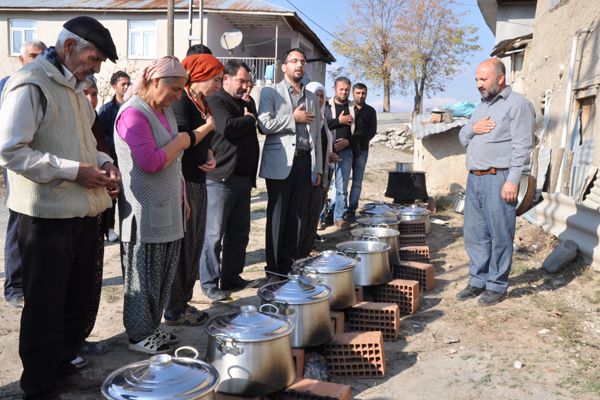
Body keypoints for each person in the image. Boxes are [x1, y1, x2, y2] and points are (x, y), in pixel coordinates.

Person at [0, 16, 120, 399]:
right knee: (45, 307)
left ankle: (62, 368)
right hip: (45, 216)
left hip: (81, 212)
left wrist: (104, 163)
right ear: (69, 47)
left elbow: (86, 142)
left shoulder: (74, 88)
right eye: (94, 57)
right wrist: (73, 172)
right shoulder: (30, 83)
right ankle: (38, 385)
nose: (97, 67)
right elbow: (11, 151)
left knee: (75, 299)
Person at [115, 56, 202, 354]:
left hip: (168, 205)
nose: (179, 96)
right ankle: (138, 335)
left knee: (163, 275)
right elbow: (150, 162)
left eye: (182, 89)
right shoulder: (132, 114)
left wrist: (183, 197)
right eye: (175, 89)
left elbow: (172, 164)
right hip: (144, 211)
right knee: (143, 276)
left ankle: (152, 327)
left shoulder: (164, 110)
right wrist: (181, 141)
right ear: (154, 82)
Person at [457, 58, 535, 306]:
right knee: (474, 233)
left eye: (483, 79)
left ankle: (497, 285)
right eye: (476, 80)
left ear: (500, 78)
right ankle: (477, 280)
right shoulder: (480, 107)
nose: (478, 84)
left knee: (500, 234)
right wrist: (474, 128)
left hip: (498, 178)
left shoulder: (518, 105)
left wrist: (513, 181)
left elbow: (523, 146)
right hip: (475, 179)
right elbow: (462, 137)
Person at [257, 48, 322, 281]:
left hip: (305, 162)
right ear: (283, 66)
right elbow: (264, 124)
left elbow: (316, 135)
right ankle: (273, 267)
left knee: (296, 216)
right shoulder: (270, 92)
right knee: (278, 215)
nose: (299, 65)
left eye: (303, 61)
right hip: (281, 162)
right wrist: (292, 119)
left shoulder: (312, 97)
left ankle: (288, 264)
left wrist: (319, 168)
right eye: (294, 61)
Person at [165, 53, 222, 315]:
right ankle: (175, 308)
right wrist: (208, 128)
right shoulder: (182, 102)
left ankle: (184, 301)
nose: (218, 85)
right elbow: (182, 139)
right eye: (216, 79)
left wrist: (209, 153)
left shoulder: (200, 102)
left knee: (195, 244)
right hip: (183, 182)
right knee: (183, 247)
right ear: (199, 76)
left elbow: (202, 140)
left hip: (199, 181)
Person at [201, 60, 261, 297]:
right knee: (214, 235)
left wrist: (249, 116)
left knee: (239, 232)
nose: (245, 86)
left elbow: (254, 123)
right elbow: (227, 127)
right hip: (221, 179)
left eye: (248, 82)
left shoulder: (247, 101)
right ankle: (209, 284)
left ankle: (231, 277)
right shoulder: (217, 100)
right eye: (241, 81)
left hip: (243, 178)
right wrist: (248, 120)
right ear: (226, 79)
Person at [1, 39, 47, 309]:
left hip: (42, 163)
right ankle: (14, 285)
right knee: (19, 222)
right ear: (21, 59)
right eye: (32, 55)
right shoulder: (11, 84)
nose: (37, 59)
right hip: (18, 163)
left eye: (41, 55)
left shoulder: (46, 85)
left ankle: (30, 282)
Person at [298, 82, 337, 256]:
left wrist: (329, 155)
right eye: (316, 95)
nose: (319, 99)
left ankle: (307, 248)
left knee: (314, 212)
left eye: (322, 96)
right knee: (304, 213)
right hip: (308, 173)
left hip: (321, 172)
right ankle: (298, 251)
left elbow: (322, 145)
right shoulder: (307, 117)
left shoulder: (322, 119)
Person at [98, 70, 131, 242]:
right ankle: (109, 229)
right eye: (122, 84)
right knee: (112, 195)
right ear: (114, 86)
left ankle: (128, 227)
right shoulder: (106, 110)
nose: (126, 87)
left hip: (131, 159)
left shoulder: (133, 106)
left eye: (128, 83)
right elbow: (102, 137)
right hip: (112, 159)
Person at [324, 76, 354, 229]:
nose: (344, 92)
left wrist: (348, 141)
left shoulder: (353, 107)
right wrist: (339, 121)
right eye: (341, 89)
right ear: (334, 89)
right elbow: (321, 124)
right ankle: (320, 217)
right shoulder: (325, 105)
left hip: (346, 153)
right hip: (326, 152)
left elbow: (359, 132)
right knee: (323, 186)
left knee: (342, 188)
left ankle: (339, 218)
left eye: (347, 89)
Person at [345, 83, 377, 222]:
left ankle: (351, 209)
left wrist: (356, 139)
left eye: (363, 93)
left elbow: (371, 132)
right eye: (358, 93)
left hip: (362, 151)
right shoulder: (347, 108)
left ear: (366, 94)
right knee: (341, 181)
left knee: (357, 182)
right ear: (353, 93)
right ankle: (337, 209)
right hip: (345, 150)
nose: (360, 95)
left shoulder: (370, 111)